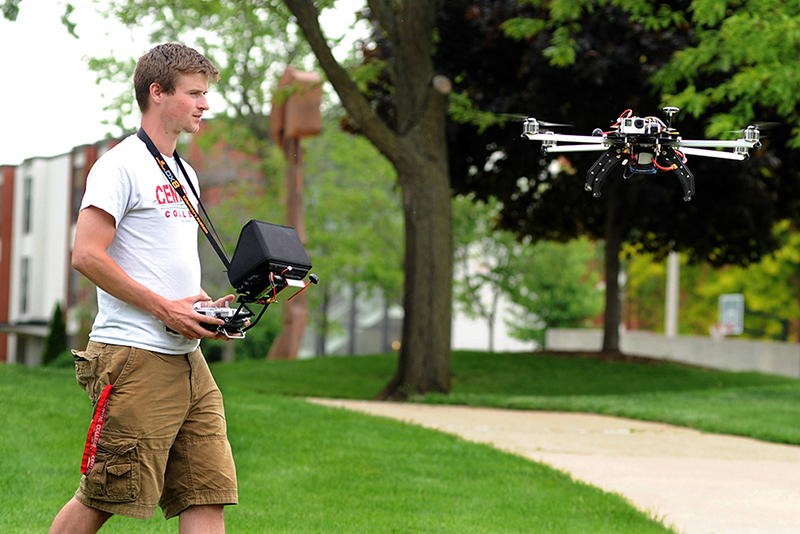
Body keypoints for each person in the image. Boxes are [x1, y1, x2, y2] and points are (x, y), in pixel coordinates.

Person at [49, 43, 238, 534]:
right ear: (158, 92)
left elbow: (161, 264)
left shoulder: (184, 173)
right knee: (105, 494)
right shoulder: (119, 165)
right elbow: (86, 254)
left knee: (206, 494)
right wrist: (163, 310)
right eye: (194, 93)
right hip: (134, 354)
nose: (205, 104)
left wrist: (200, 307)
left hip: (187, 356)